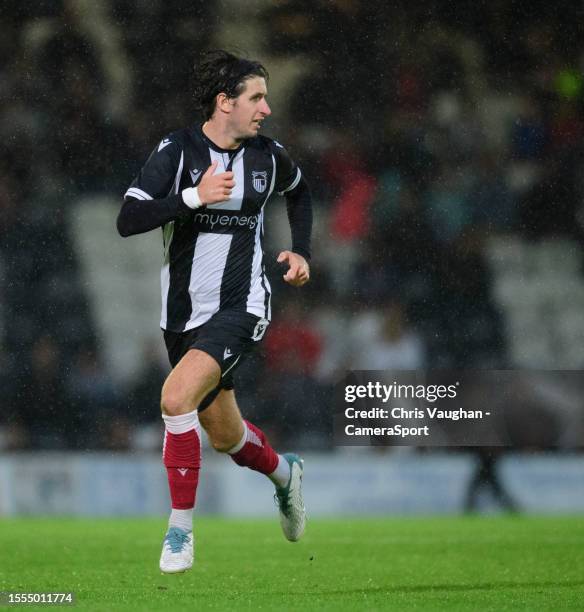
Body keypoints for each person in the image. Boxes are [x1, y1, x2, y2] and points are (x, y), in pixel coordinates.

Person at [117, 50, 312, 573]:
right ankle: (284, 476)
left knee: (175, 398)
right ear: (225, 102)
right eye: (256, 97)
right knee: (226, 436)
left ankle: (179, 532)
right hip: (182, 317)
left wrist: (302, 250)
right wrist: (193, 196)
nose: (266, 109)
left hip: (242, 305)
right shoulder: (177, 152)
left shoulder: (268, 156)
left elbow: (299, 192)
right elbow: (128, 217)